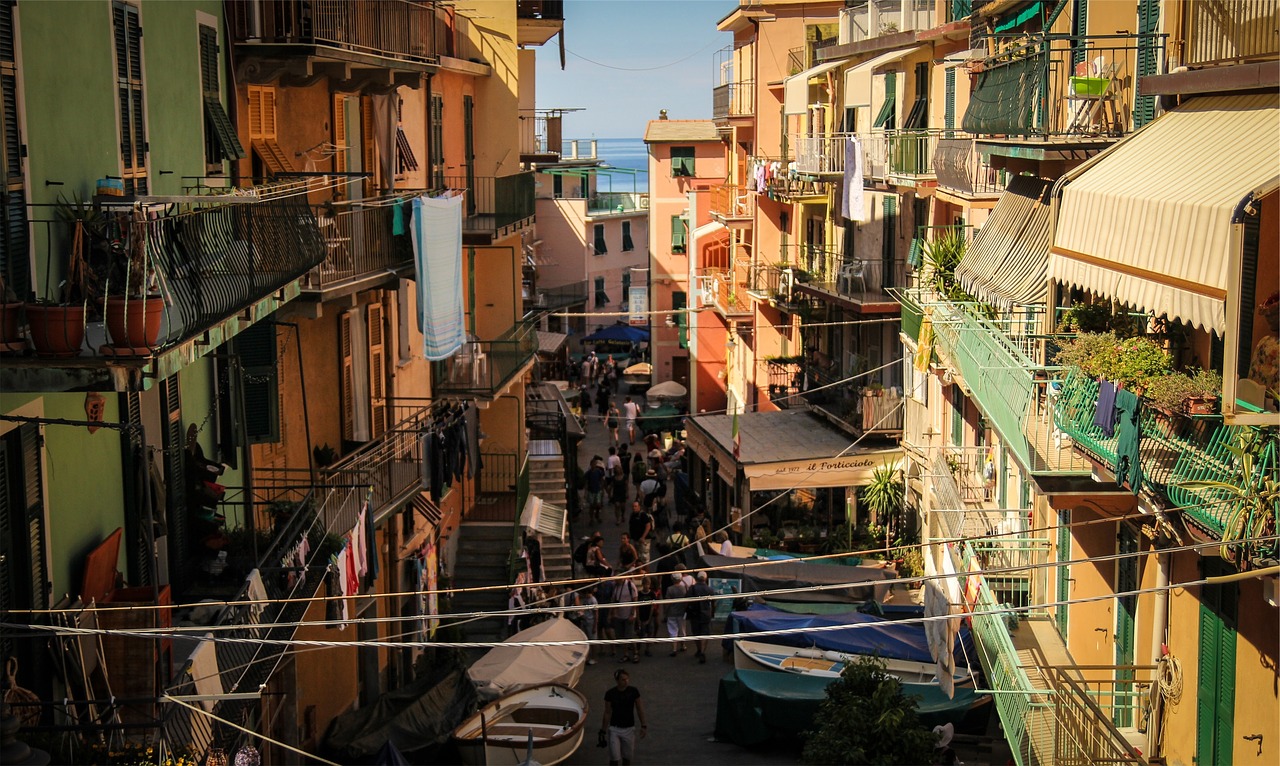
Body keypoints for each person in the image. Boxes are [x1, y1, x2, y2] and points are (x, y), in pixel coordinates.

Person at [601, 669, 646, 766]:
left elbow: (639, 708)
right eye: (623, 680)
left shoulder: (633, 691)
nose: (626, 681)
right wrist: (603, 731)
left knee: (627, 758)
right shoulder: (610, 694)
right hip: (614, 728)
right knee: (614, 757)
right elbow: (607, 712)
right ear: (617, 681)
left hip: (629, 729)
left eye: (627, 679)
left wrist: (643, 725)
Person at [611, 575, 640, 664]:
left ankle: (635, 653)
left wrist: (632, 613)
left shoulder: (630, 585)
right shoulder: (616, 586)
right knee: (622, 636)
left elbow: (635, 599)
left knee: (629, 635)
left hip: (629, 615)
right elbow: (614, 599)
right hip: (619, 615)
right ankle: (625, 654)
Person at [688, 571, 715, 663]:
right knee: (705, 633)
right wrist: (712, 613)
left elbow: (687, 600)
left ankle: (699, 649)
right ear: (705, 579)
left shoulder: (692, 588)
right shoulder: (709, 589)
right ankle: (703, 651)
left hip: (694, 614)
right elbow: (713, 603)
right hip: (705, 614)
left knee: (696, 633)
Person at [663, 571, 688, 655]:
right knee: (682, 629)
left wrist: (665, 612)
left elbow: (668, 602)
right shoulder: (684, 588)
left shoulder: (670, 589)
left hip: (672, 612)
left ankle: (674, 648)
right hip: (682, 612)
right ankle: (683, 645)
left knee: (672, 630)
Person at [580, 586, 599, 665]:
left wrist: (595, 625)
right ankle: (587, 656)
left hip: (591, 622)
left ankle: (594, 657)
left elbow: (596, 614)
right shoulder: (585, 600)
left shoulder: (593, 600)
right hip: (585, 621)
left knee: (593, 641)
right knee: (586, 641)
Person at [584, 459, 606, 524]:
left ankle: (597, 515)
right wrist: (586, 490)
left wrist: (602, 487)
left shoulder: (598, 471)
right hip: (591, 490)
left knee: (598, 505)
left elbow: (601, 479)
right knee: (592, 505)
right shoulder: (589, 473)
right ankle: (592, 518)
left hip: (597, 490)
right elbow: (586, 482)